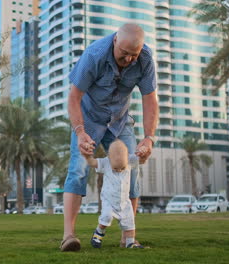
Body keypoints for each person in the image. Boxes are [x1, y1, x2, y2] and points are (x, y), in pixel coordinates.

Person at [61, 23, 159, 251]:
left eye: (133, 55)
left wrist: (149, 138)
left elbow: (150, 99)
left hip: (120, 120)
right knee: (77, 170)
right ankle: (69, 236)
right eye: (124, 54)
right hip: (88, 119)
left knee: (131, 171)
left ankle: (128, 237)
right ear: (115, 40)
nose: (129, 60)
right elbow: (74, 97)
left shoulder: (145, 58)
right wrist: (80, 132)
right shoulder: (94, 55)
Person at [85, 140, 146, 249]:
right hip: (109, 201)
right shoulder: (105, 162)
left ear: (127, 157)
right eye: (115, 168)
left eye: (122, 168)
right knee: (106, 217)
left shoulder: (130, 160)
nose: (119, 170)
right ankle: (98, 233)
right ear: (109, 157)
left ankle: (130, 242)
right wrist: (87, 155)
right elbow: (92, 162)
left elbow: (142, 160)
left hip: (124, 202)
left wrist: (143, 152)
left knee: (130, 222)